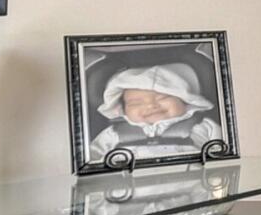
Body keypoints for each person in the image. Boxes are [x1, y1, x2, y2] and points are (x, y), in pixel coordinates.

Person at [87, 61, 227, 159]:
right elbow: (92, 161)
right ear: (122, 109)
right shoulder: (112, 134)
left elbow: (225, 157)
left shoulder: (204, 127)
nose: (151, 106)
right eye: (136, 103)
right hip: (127, 196)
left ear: (185, 100)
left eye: (163, 97)